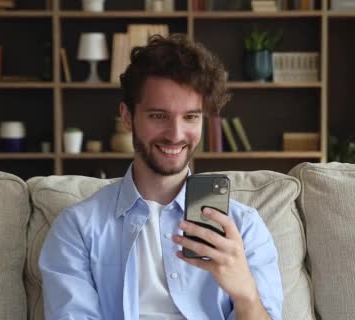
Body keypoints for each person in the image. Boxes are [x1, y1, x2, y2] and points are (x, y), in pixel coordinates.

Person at [39, 34, 283, 320]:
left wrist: (246, 296)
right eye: (158, 116)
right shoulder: (78, 229)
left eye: (190, 117)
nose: (176, 135)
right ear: (127, 117)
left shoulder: (244, 228)